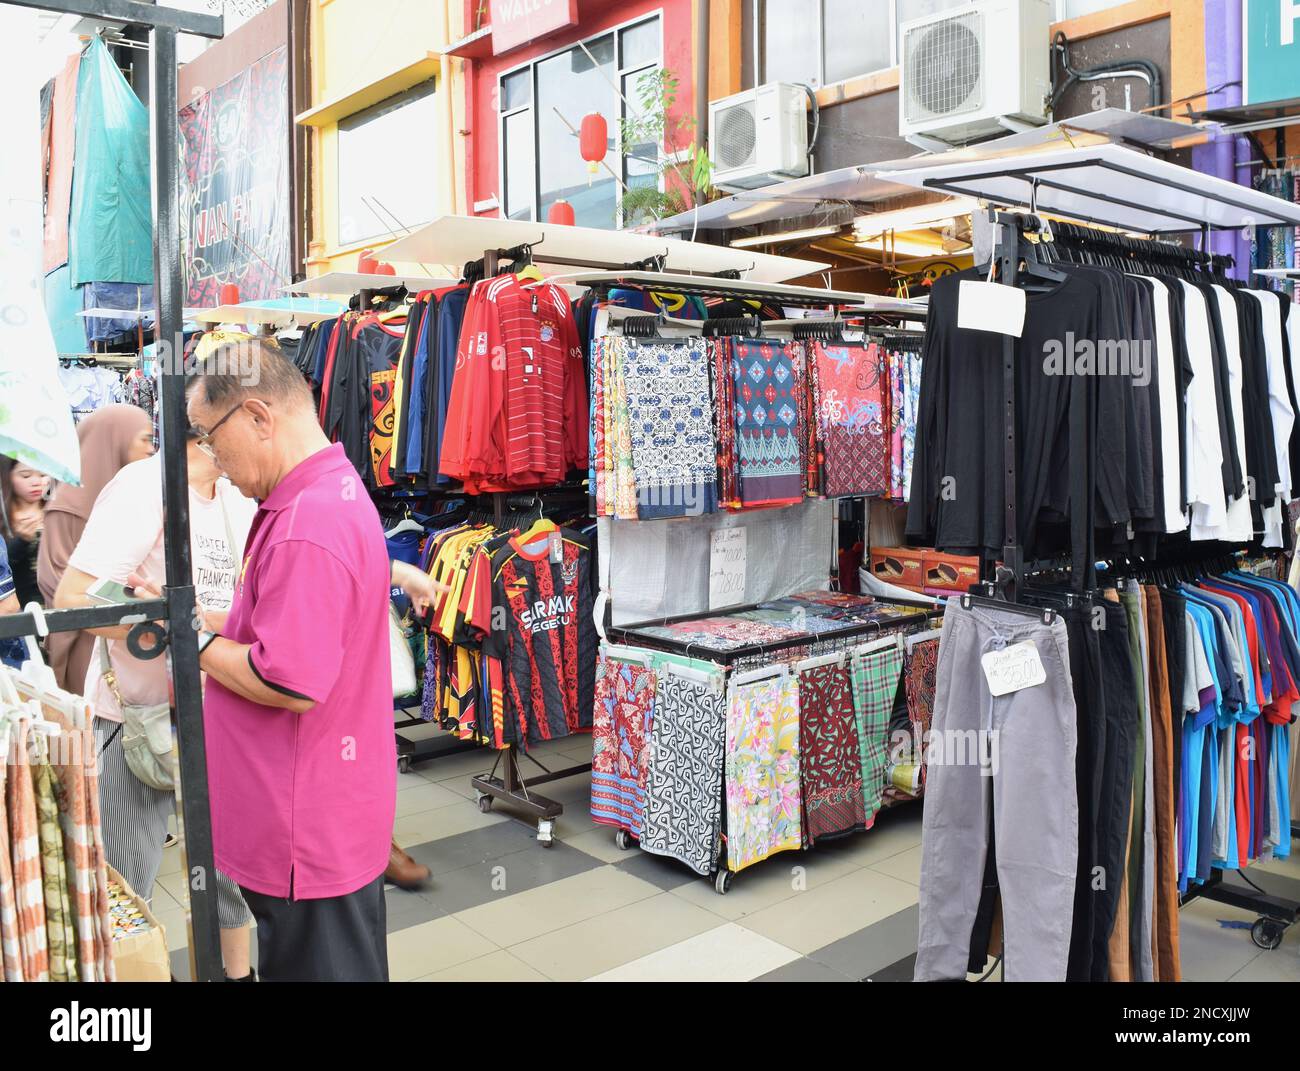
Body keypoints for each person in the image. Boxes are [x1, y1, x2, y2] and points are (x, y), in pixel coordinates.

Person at [185, 338, 443, 982]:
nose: (212, 461)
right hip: (323, 817)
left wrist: (197, 646)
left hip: (304, 832)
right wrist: (215, 626)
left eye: (209, 439)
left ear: (258, 416)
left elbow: (288, 679)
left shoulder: (307, 519)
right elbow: (293, 627)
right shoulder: (327, 489)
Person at [54, 419, 259, 981]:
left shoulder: (239, 495)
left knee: (226, 877)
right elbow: (78, 597)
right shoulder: (145, 487)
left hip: (223, 711)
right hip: (139, 720)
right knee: (125, 885)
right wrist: (166, 625)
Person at [37, 405, 155, 692]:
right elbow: (57, 580)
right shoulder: (69, 506)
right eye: (143, 439)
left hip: (129, 643)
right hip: (87, 645)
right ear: (113, 439)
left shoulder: (137, 499)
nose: (151, 449)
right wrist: (132, 597)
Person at [1, 458, 51, 610]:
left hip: (54, 605)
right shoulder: (4, 519)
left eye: (43, 475)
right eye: (26, 475)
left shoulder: (56, 512)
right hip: (21, 610)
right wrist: (21, 541)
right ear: (8, 476)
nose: (36, 482)